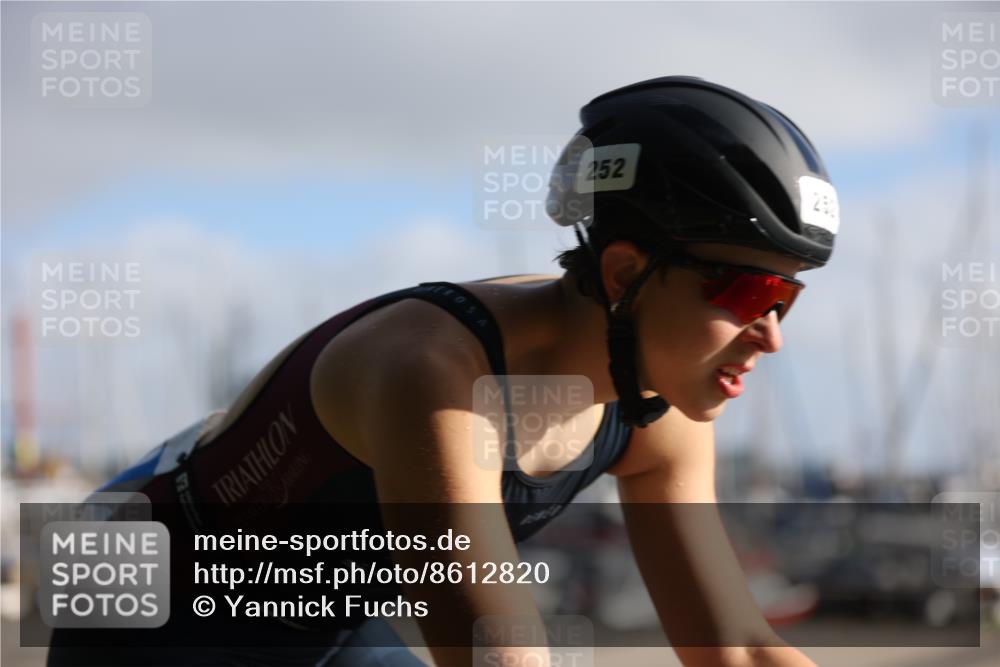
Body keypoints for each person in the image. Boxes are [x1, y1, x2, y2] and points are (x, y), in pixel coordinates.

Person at [47, 75, 837, 666]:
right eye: (747, 292)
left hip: (331, 618)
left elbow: (735, 646)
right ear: (627, 273)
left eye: (787, 297)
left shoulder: (659, 399)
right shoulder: (433, 371)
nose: (769, 335)